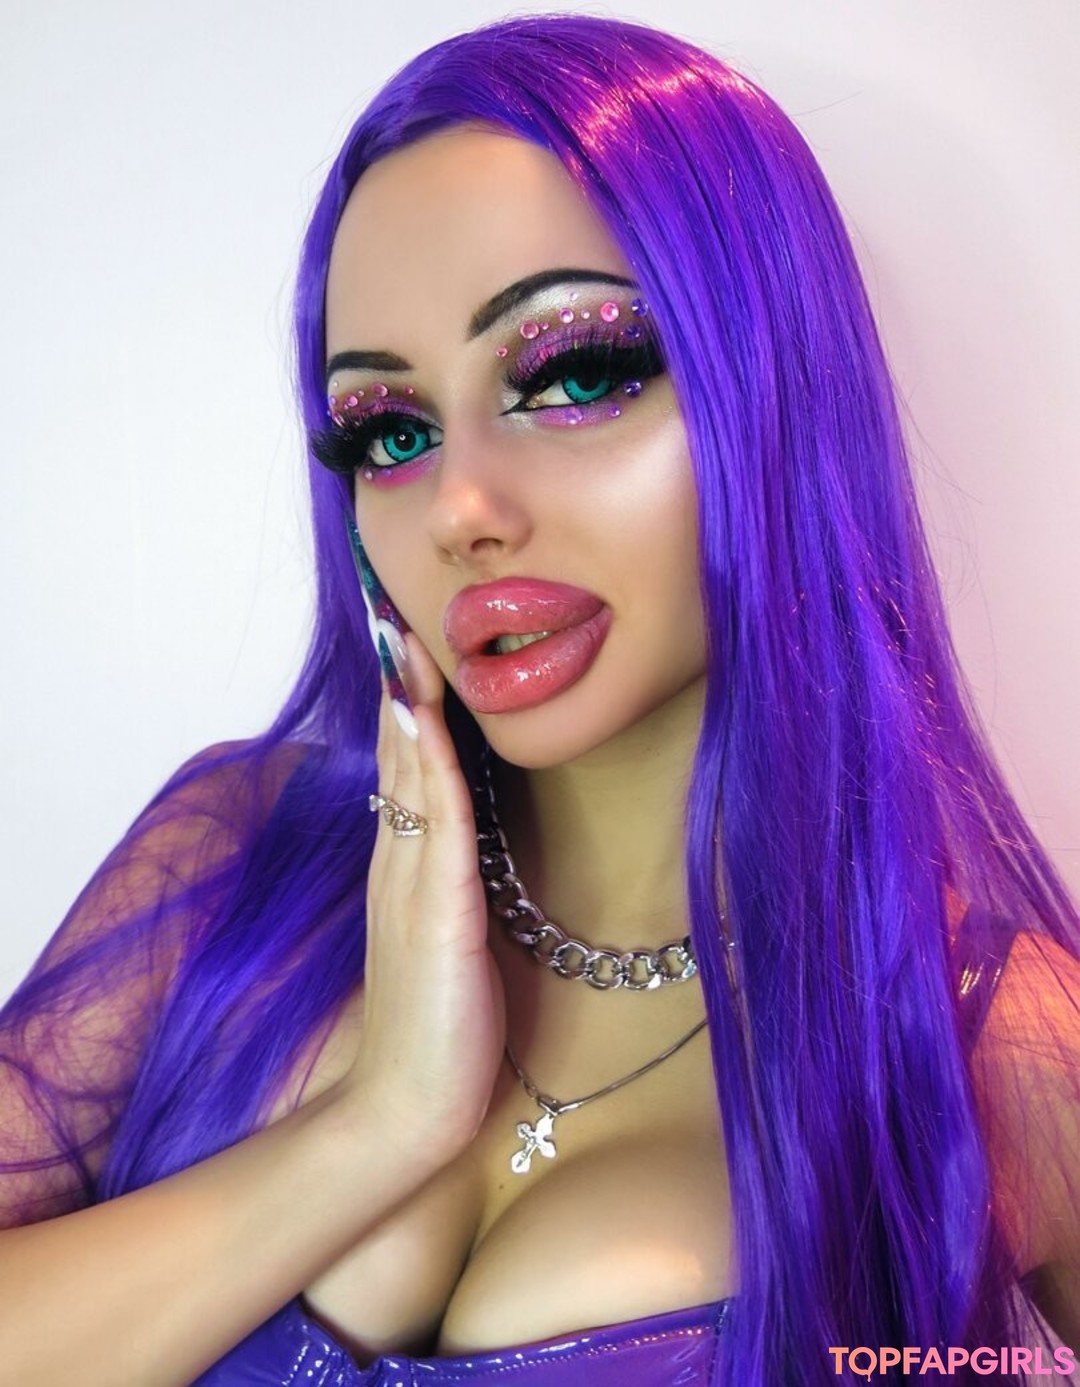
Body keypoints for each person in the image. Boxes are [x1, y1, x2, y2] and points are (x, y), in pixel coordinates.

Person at [1, 14, 1077, 1385]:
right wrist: (383, 1119)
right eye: (391, 430)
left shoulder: (993, 1046)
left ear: (771, 392)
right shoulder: (228, 856)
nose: (460, 508)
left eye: (574, 374)